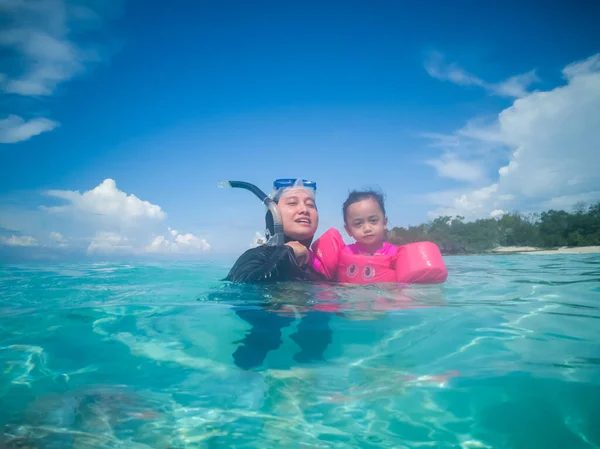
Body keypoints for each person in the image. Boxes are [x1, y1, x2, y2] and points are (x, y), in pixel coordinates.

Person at [222, 178, 333, 370]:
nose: (304, 209)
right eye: (292, 203)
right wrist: (287, 253)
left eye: (310, 205)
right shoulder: (257, 255)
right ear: (272, 215)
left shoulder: (317, 267)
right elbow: (242, 289)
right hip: (260, 333)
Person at [310, 189, 448, 284]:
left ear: (384, 222)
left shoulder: (396, 254)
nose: (367, 228)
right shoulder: (343, 253)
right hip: (350, 305)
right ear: (348, 230)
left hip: (383, 304)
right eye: (358, 223)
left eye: (373, 220)